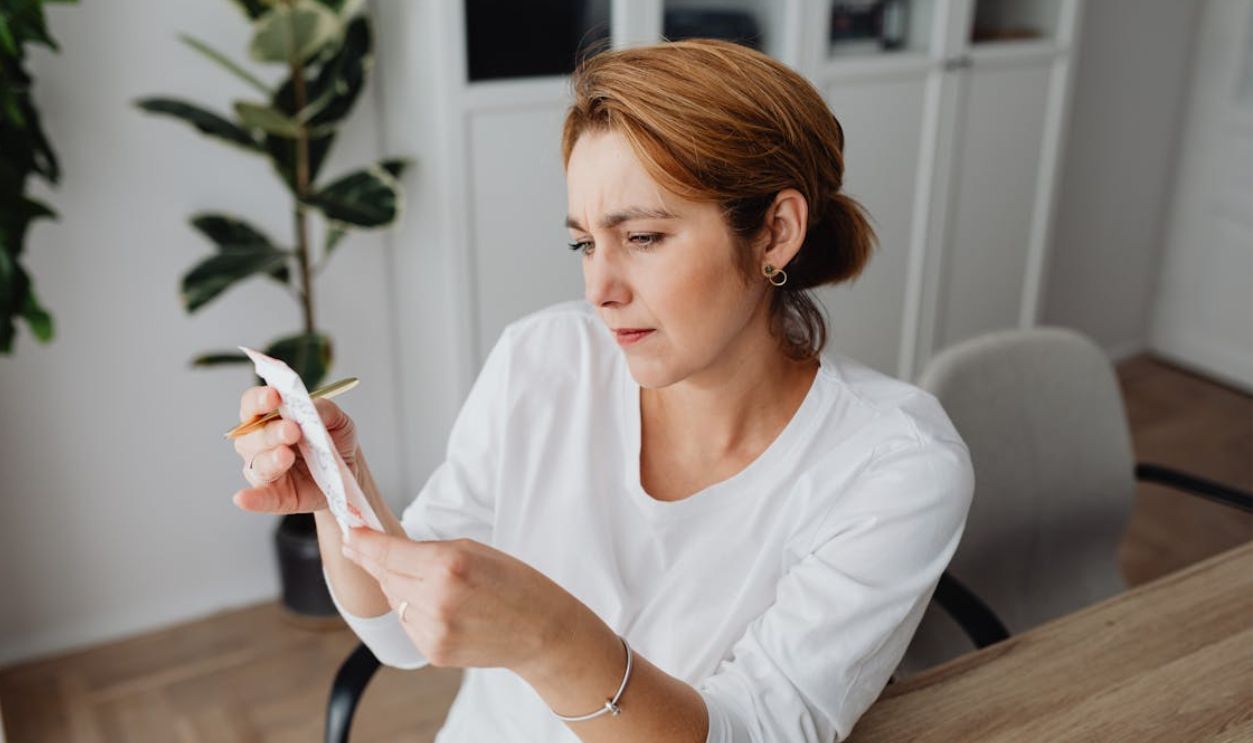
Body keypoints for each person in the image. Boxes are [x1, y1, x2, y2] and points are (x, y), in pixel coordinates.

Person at [231, 39, 973, 743]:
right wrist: (340, 492)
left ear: (775, 232)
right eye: (584, 243)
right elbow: (398, 634)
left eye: (643, 237)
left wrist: (550, 638)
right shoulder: (543, 359)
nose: (598, 288)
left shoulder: (894, 465)